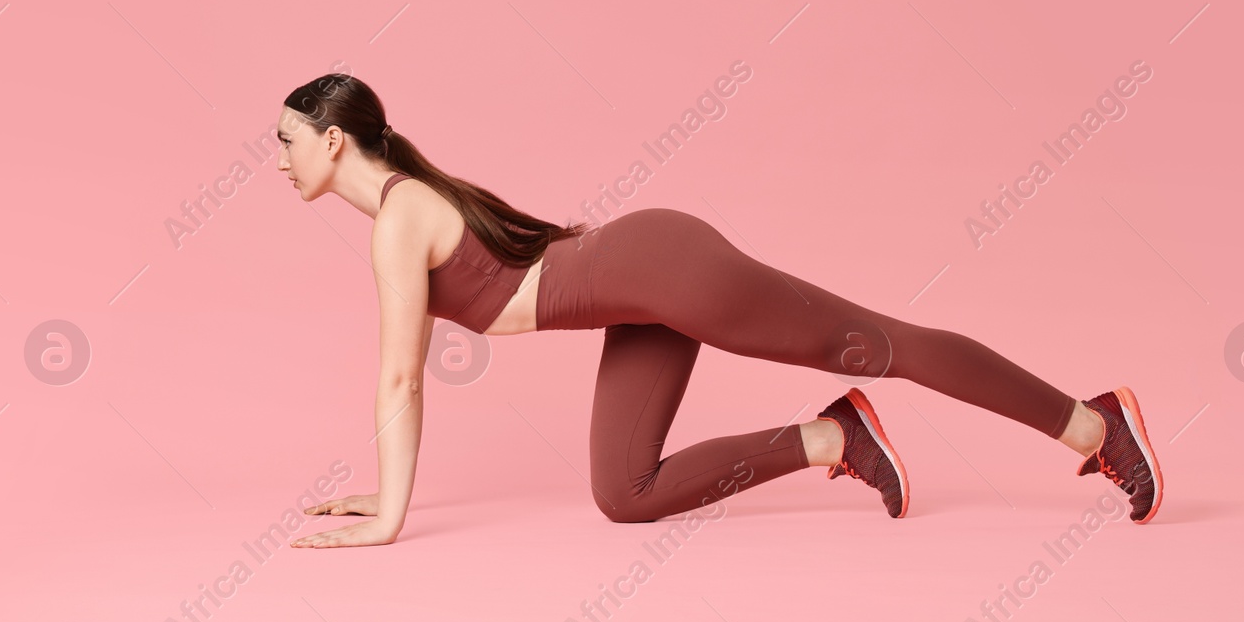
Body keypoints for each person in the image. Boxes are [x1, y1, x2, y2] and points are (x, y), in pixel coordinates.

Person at [277, 75, 1163, 549]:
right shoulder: (403, 210)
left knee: (886, 345)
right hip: (635, 291)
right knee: (624, 493)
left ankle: (1096, 425)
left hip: (664, 270)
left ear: (330, 138)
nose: (278, 161)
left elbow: (400, 373)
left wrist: (390, 517)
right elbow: (403, 374)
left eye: (285, 140)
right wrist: (384, 494)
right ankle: (833, 440)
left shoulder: (395, 220)